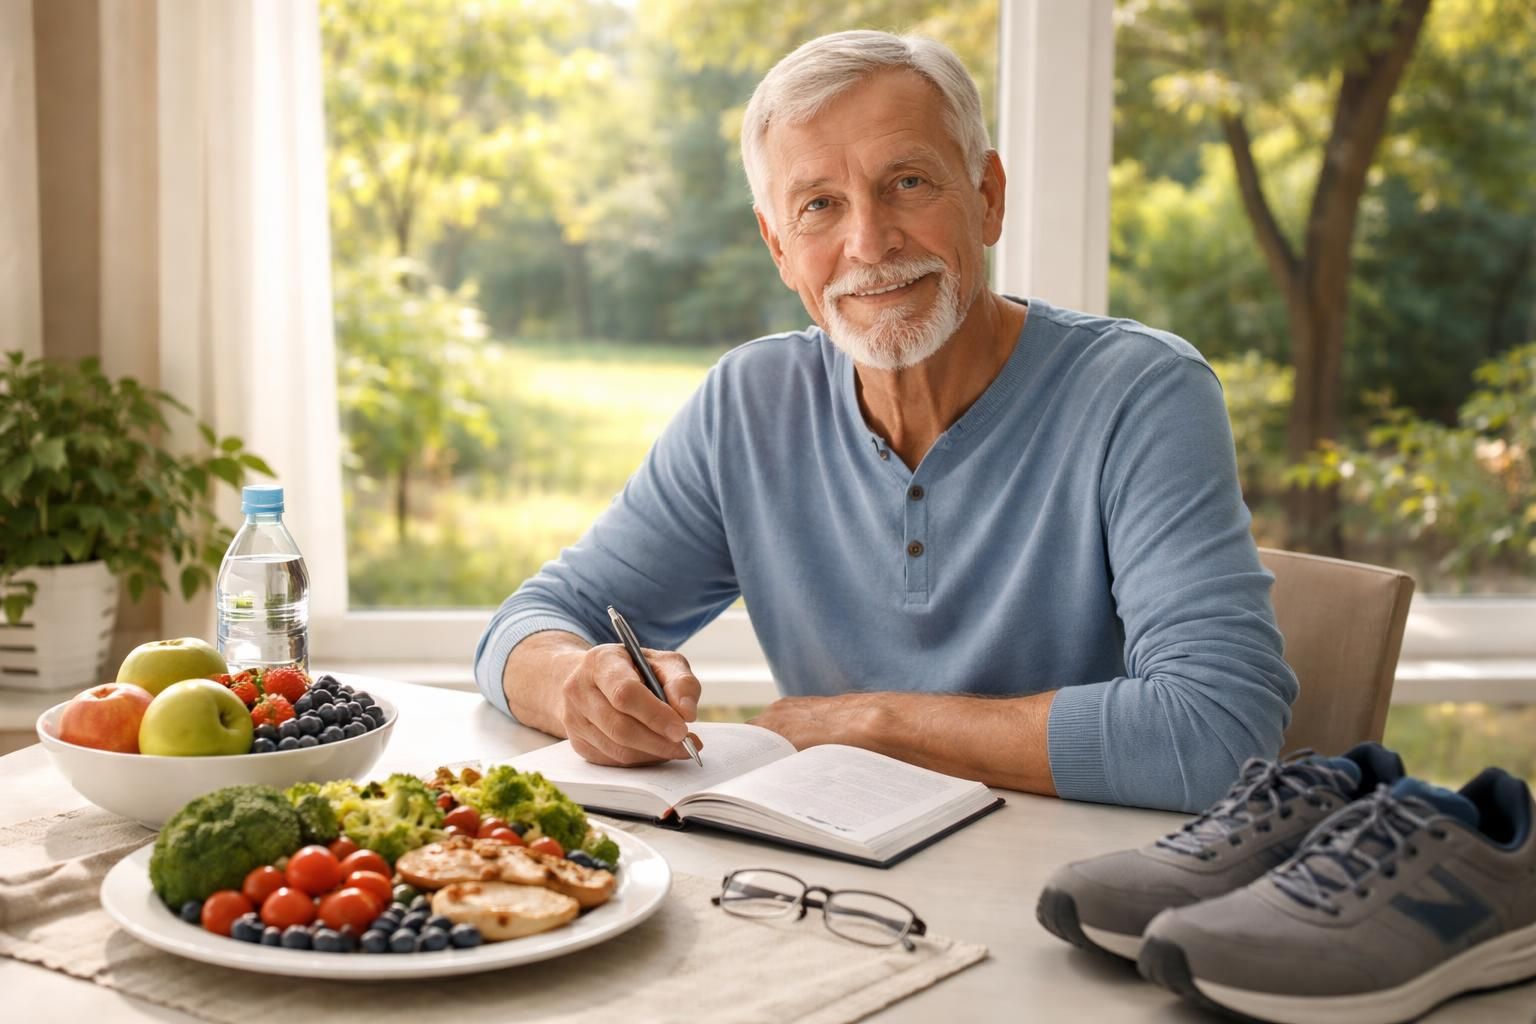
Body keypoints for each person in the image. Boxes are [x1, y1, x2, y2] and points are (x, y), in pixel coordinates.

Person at [473, 30, 1298, 814]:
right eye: (820, 205)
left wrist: (868, 727)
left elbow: (1216, 733)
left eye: (907, 182)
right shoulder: (751, 405)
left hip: (1072, 895)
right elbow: (529, 623)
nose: (869, 243)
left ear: (987, 198)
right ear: (778, 246)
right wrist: (578, 682)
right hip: (832, 885)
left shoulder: (1142, 392)